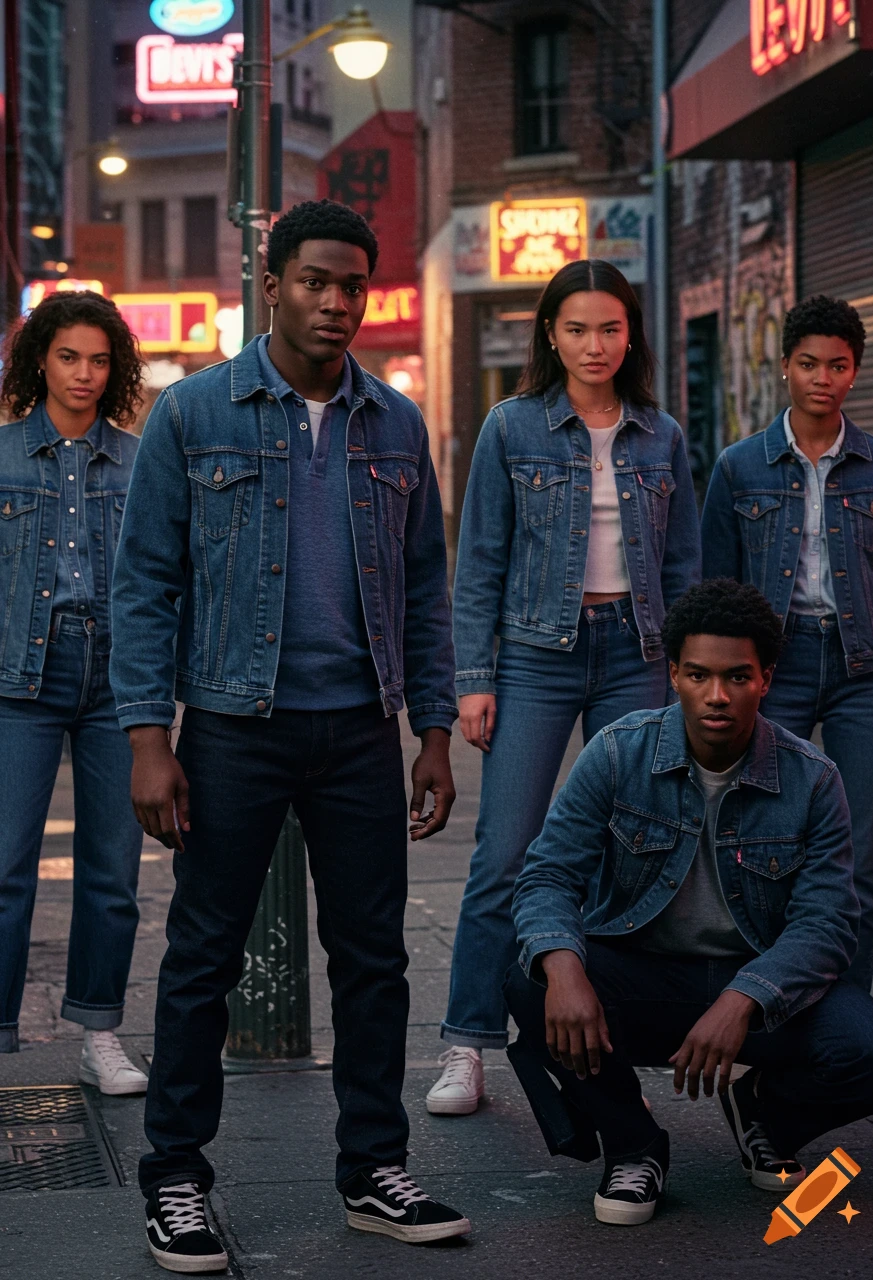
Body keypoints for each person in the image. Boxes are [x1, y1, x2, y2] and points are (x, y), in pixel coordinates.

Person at [110, 199, 469, 1273]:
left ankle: (373, 1167)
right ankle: (175, 1175)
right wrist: (145, 737)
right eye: (314, 280)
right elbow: (145, 584)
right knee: (202, 956)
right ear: (271, 283)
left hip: (360, 727)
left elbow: (423, 589)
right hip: (230, 723)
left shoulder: (395, 424)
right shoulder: (195, 413)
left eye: (352, 284)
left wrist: (435, 730)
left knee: (372, 957)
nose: (335, 301)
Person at [505, 579, 873, 1226]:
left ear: (766, 678)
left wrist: (746, 998)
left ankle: (766, 1112)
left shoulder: (812, 779)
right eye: (699, 675)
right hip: (642, 979)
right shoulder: (617, 753)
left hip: (759, 993)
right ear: (675, 676)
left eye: (738, 676)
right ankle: (634, 1144)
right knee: (527, 977)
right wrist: (565, 969)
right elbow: (546, 875)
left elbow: (828, 924)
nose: (718, 696)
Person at [427, 259, 701, 1117]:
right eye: (577, 328)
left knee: (640, 846)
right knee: (506, 849)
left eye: (610, 329)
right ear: (550, 333)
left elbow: (688, 564)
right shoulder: (512, 428)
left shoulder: (662, 435)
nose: (595, 345)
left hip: (639, 653)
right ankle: (466, 1044)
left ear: (632, 336)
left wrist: (688, 673)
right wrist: (474, 680)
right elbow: (477, 564)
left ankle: (615, 1023)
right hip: (536, 657)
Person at [702, 295, 873, 990]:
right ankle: (766, 1004)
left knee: (858, 857)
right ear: (784, 366)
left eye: (838, 365)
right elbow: (715, 592)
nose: (823, 377)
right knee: (764, 844)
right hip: (772, 672)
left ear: (855, 372)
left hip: (863, 671)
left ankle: (850, 1020)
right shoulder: (739, 467)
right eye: (809, 363)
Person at [0, 291, 148, 1094]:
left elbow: (165, 577)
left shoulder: (137, 459)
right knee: (4, 870)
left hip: (116, 678)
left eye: (98, 359)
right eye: (68, 357)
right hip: (17, 676)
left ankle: (100, 1033)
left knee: (112, 871)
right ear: (39, 361)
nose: (84, 374)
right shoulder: (1, 456)